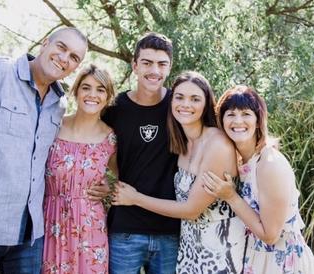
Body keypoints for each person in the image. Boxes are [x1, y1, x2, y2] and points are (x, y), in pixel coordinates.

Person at [0, 27, 88, 273]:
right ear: (45, 43)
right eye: (61, 47)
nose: (65, 58)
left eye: (74, 57)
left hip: (28, 239)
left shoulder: (59, 105)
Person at [112, 71, 246, 273]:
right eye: (180, 97)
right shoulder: (181, 143)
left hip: (217, 250)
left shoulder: (217, 143)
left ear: (206, 104)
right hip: (188, 247)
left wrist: (135, 198)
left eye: (195, 99)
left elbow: (191, 209)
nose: (186, 104)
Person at [202, 85, 314, 273]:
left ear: (258, 119)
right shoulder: (242, 162)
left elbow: (270, 236)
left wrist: (230, 196)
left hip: (280, 262)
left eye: (246, 113)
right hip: (255, 257)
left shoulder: (269, 163)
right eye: (230, 114)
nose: (238, 121)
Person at [102, 32, 180, 274]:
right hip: (125, 229)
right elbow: (95, 149)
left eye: (161, 64)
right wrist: (103, 182)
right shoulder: (114, 109)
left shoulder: (180, 106)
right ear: (134, 65)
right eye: (146, 63)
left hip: (171, 231)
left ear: (169, 67)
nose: (154, 70)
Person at [41, 64, 117, 274]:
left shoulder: (110, 138)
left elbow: (124, 177)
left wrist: (108, 187)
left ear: (108, 96)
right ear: (76, 91)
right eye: (86, 87)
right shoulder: (53, 125)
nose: (92, 94)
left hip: (90, 227)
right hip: (49, 221)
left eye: (100, 89)